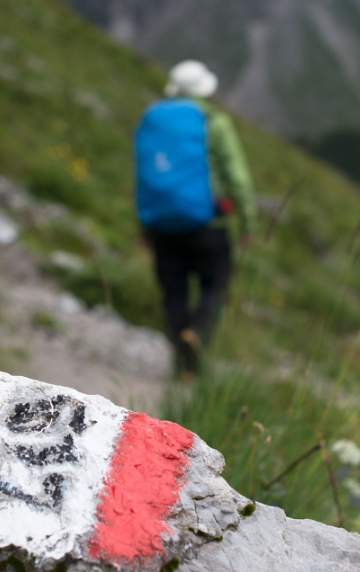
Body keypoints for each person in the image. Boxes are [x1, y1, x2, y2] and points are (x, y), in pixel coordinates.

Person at [135, 60, 256, 376]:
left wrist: (144, 224)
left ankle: (181, 361)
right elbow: (236, 174)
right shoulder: (213, 121)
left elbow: (146, 175)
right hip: (209, 224)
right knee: (214, 285)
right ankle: (197, 333)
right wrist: (247, 221)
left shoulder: (152, 118)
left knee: (174, 292)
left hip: (161, 224)